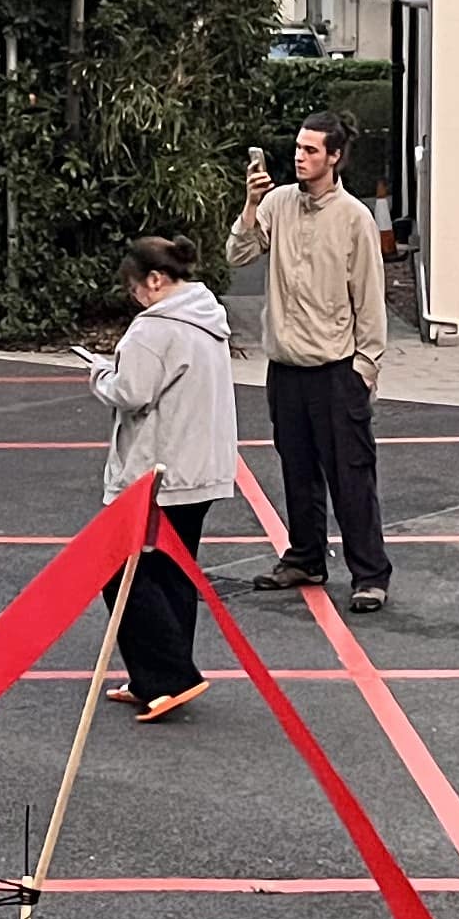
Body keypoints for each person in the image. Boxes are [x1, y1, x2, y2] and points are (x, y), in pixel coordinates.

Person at [228, 112, 391, 612]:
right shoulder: (277, 204)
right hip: (286, 368)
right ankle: (305, 557)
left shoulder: (354, 218)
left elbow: (369, 296)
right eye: (298, 148)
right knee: (297, 469)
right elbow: (237, 255)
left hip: (336, 368)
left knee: (350, 474)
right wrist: (251, 205)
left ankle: (369, 574)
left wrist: (366, 366)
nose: (300, 157)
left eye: (312, 150)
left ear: (335, 157)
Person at [86, 236, 240, 719]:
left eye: (135, 287)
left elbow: (129, 392)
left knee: (122, 570)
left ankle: (169, 675)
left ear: (154, 281)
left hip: (159, 470)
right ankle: (157, 675)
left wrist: (98, 373)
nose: (134, 297)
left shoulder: (152, 330)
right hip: (200, 466)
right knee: (173, 569)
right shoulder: (207, 317)